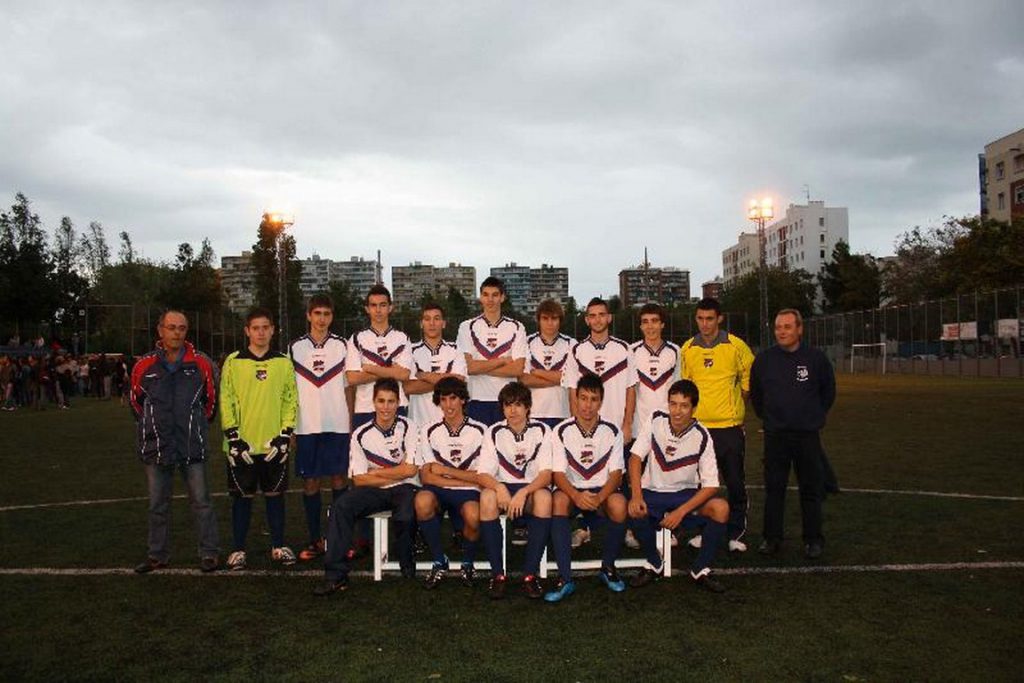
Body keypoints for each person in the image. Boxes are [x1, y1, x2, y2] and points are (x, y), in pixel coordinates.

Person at [129, 310, 220, 573]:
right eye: (171, 327)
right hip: (157, 445)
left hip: (191, 444)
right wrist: (154, 427)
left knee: (201, 502)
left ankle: (209, 553)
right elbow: (136, 404)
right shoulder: (143, 366)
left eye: (181, 328)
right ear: (160, 330)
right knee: (158, 504)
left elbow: (210, 404)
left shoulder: (201, 363)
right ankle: (157, 554)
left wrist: (195, 426)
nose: (176, 332)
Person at [313, 378, 420, 596]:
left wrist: (377, 473)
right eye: (381, 401)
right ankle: (335, 575)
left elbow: (410, 471)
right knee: (341, 506)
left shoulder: (410, 427)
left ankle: (406, 560)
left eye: (391, 401)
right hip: (375, 490)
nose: (386, 407)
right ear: (373, 402)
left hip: (404, 487)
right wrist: (392, 472)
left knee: (406, 513)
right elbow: (359, 480)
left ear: (398, 403)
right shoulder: (361, 434)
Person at [627, 380, 729, 593]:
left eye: (684, 405)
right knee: (633, 508)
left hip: (684, 495)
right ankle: (654, 562)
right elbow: (635, 457)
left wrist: (680, 512)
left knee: (720, 508)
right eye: (673, 404)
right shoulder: (656, 420)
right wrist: (636, 495)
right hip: (652, 491)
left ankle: (700, 568)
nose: (677, 411)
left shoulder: (702, 435)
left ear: (694, 408)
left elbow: (711, 485)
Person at [750, 309, 836, 559]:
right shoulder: (764, 360)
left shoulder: (816, 359)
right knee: (774, 489)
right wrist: (769, 419)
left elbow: (827, 392)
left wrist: (812, 417)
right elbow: (757, 396)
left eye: (787, 327)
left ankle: (813, 540)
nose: (782, 332)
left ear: (799, 329)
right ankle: (771, 538)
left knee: (811, 489)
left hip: (807, 436)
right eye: (778, 327)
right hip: (775, 436)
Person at [220, 307, 299, 570]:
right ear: (247, 331)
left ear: (273, 330)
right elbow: (226, 399)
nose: (261, 332)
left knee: (275, 495)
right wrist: (233, 436)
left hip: (273, 446)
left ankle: (278, 546)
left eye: (266, 327)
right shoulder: (233, 361)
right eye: (256, 328)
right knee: (241, 498)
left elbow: (290, 399)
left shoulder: (283, 362)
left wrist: (285, 433)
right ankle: (238, 550)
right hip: (242, 446)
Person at [679, 297, 755, 552]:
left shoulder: (736, 346)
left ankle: (736, 534)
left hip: (730, 428)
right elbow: (686, 388)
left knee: (734, 482)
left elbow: (749, 378)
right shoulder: (688, 349)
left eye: (709, 318)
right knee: (701, 484)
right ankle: (703, 531)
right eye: (700, 318)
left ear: (719, 318)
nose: (704, 324)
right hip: (699, 430)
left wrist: (735, 405)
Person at [545, 373, 629, 602]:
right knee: (558, 501)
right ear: (576, 399)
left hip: (602, 491)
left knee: (620, 504)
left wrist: (600, 497)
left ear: (600, 402)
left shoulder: (612, 431)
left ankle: (608, 568)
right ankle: (565, 577)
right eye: (583, 398)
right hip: (572, 491)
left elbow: (616, 475)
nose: (587, 405)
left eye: (593, 399)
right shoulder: (561, 430)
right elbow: (558, 474)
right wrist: (576, 495)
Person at [561, 297, 638, 548]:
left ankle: (625, 529)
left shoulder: (624, 348)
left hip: (615, 430)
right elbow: (572, 390)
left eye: (601, 314)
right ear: (586, 320)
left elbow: (630, 389)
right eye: (592, 315)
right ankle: (585, 528)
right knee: (583, 477)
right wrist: (577, 425)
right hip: (586, 429)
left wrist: (627, 425)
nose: (597, 319)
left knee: (619, 481)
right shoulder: (577, 351)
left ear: (609, 318)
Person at [289, 294, 354, 562]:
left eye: (326, 314)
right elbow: (290, 389)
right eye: (317, 313)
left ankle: (339, 539)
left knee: (340, 479)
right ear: (308, 315)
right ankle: (315, 539)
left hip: (337, 423)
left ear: (332, 317)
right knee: (311, 482)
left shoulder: (343, 345)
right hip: (306, 425)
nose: (322, 319)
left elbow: (350, 385)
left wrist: (350, 421)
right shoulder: (294, 347)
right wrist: (292, 426)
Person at [476, 381, 553, 599]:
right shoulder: (493, 431)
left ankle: (529, 575)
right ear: (502, 408)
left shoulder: (542, 430)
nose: (513, 410)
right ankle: (498, 575)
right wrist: (499, 487)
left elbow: (546, 475)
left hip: (529, 489)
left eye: (518, 405)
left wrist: (524, 492)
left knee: (544, 497)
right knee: (487, 496)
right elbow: (482, 474)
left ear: (528, 407)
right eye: (508, 405)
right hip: (504, 490)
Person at [414, 376, 487, 588]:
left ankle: (468, 563)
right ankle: (439, 560)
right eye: (443, 399)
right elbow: (426, 476)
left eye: (453, 398)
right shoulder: (428, 430)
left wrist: (446, 472)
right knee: (422, 501)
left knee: (474, 515)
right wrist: (466, 479)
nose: (448, 405)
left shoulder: (481, 431)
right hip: (439, 490)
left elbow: (482, 477)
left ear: (463, 400)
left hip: (467, 492)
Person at [456, 276, 527, 426]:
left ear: (502, 297)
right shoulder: (466, 327)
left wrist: (480, 367)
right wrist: (502, 361)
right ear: (480, 297)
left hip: (507, 402)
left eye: (495, 295)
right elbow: (468, 367)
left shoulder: (517, 327)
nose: (490, 300)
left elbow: (518, 368)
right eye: (486, 295)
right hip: (476, 400)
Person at [346, 284, 414, 429]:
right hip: (365, 409)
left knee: (398, 452)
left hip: (397, 406)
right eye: (373, 305)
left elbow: (404, 374)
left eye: (382, 305)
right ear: (367, 309)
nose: (378, 310)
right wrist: (390, 371)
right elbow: (352, 378)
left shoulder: (402, 338)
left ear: (390, 307)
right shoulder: (357, 338)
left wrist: (369, 368)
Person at [404, 303, 467, 427]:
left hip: (450, 425)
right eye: (427, 319)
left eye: (436, 318)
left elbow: (459, 383)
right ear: (421, 324)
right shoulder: (410, 350)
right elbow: (409, 388)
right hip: (418, 425)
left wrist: (424, 375)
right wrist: (447, 380)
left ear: (443, 323)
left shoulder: (455, 349)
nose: (432, 323)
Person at [520, 299, 573, 428]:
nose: (550, 323)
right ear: (538, 320)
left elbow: (572, 377)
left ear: (560, 320)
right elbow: (524, 379)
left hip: (562, 413)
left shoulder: (571, 344)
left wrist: (537, 372)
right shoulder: (526, 343)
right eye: (545, 318)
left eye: (554, 318)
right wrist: (560, 379)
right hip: (532, 413)